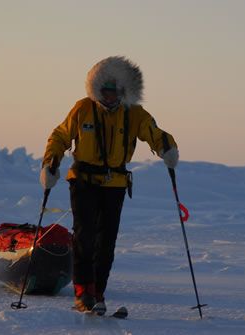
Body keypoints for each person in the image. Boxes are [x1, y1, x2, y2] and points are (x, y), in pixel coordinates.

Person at [40, 56, 179, 313]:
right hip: (83, 181)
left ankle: (98, 293)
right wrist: (51, 164)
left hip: (115, 183)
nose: (109, 97)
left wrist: (167, 149)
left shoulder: (134, 114)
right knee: (85, 236)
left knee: (107, 242)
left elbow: (154, 133)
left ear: (123, 92)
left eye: (114, 92)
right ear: (96, 90)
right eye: (104, 91)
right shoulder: (82, 109)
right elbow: (60, 136)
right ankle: (83, 293)